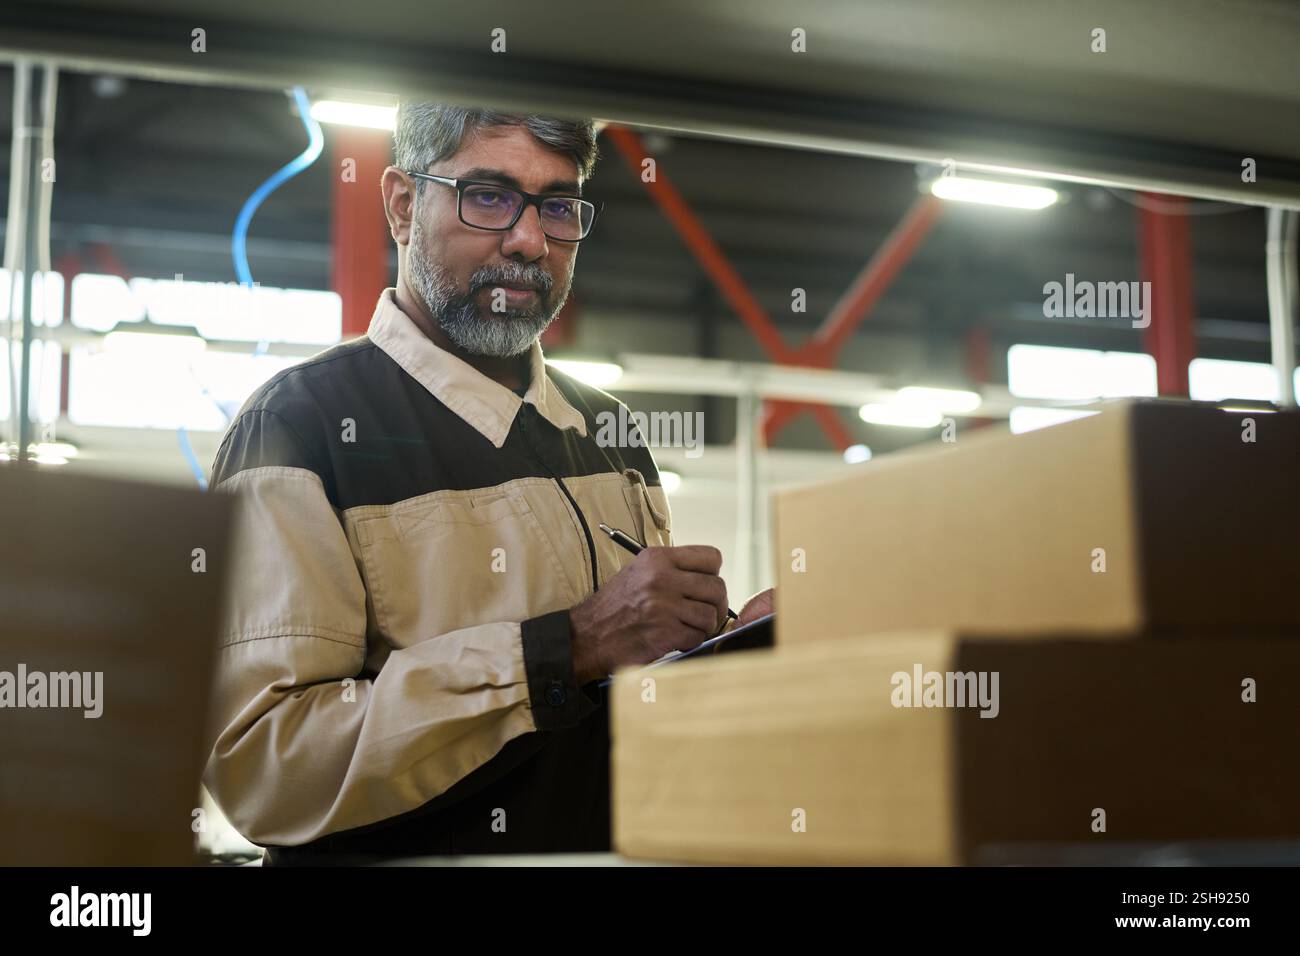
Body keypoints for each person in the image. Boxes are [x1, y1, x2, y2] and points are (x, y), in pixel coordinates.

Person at [202, 101, 773, 864]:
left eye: (557, 206)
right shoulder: (298, 429)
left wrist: (730, 650)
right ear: (403, 206)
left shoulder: (607, 431)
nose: (530, 240)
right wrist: (563, 650)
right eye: (490, 196)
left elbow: (623, 697)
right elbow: (266, 771)